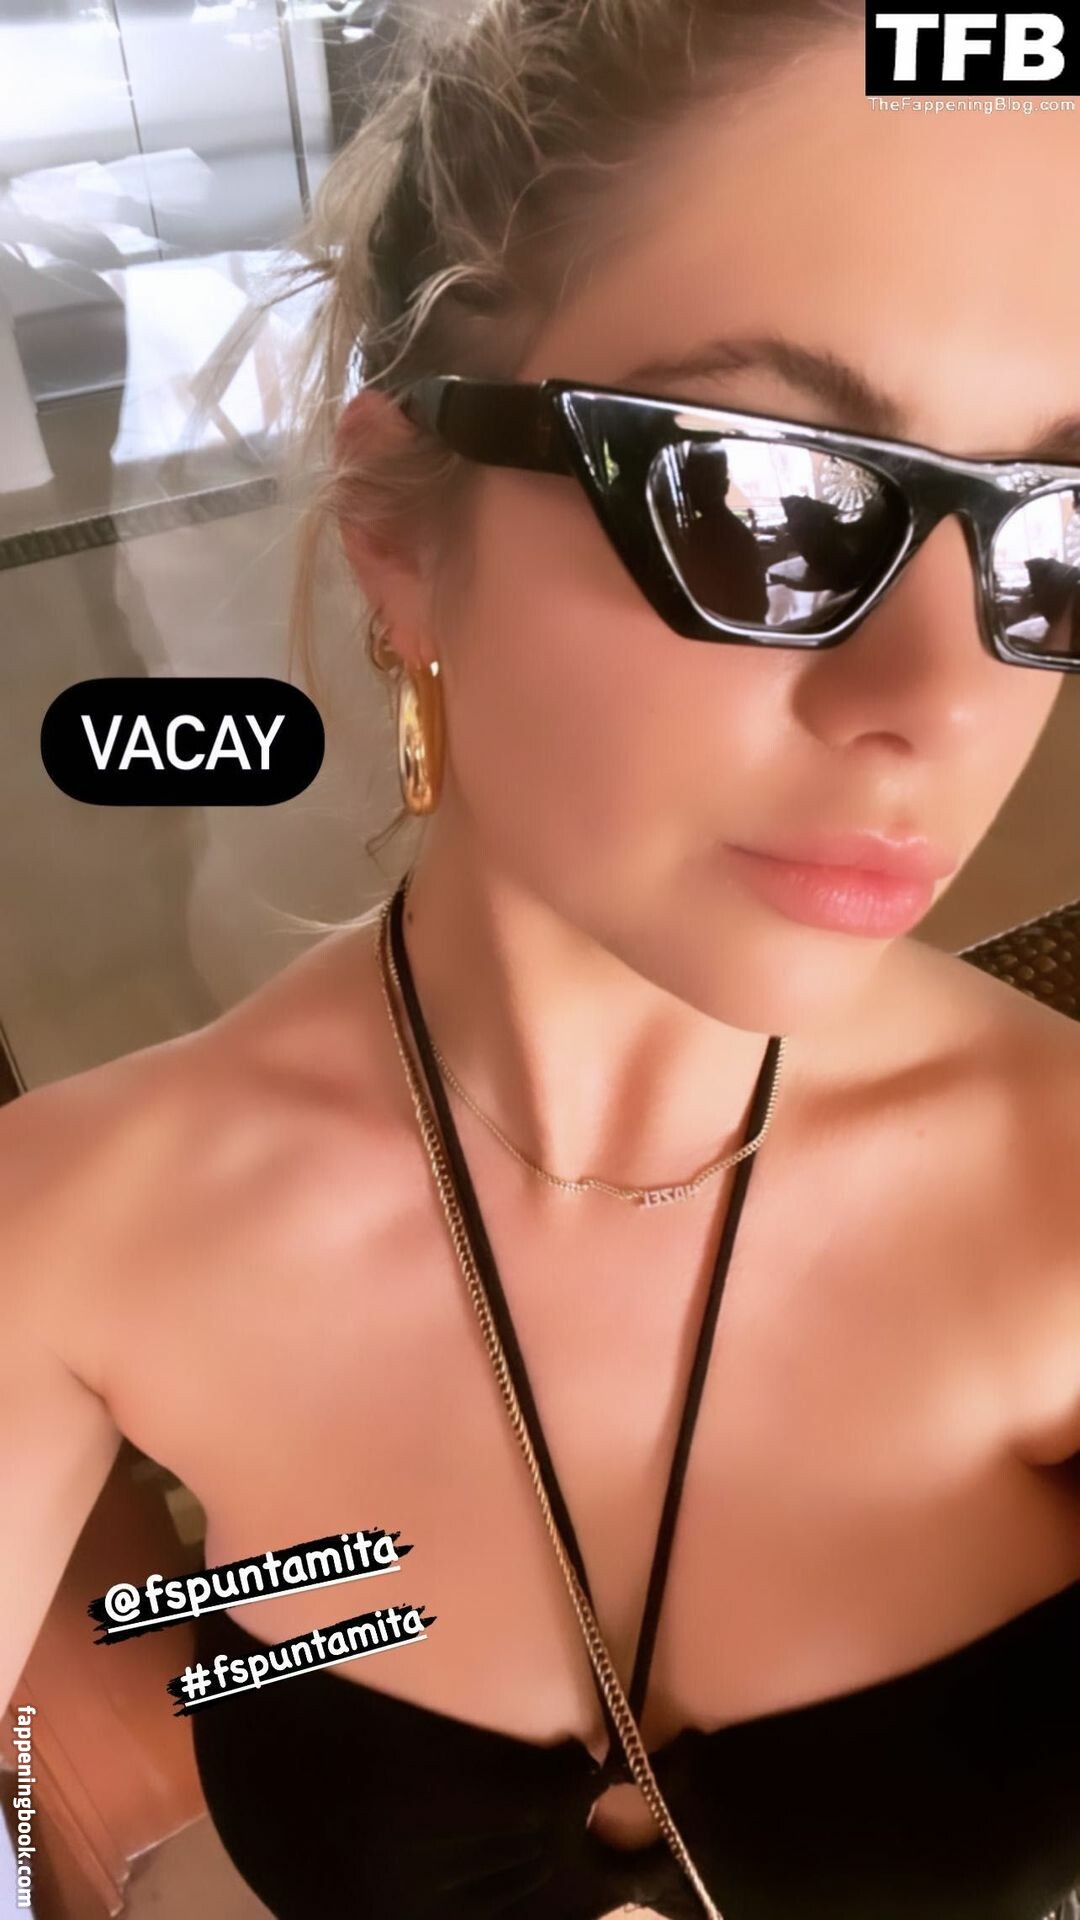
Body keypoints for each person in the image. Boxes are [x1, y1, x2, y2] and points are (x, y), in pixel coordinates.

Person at [3, 3, 1080, 1917]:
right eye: (755, 498)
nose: (941, 702)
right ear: (399, 531)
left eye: (1055, 535)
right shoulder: (75, 1222)